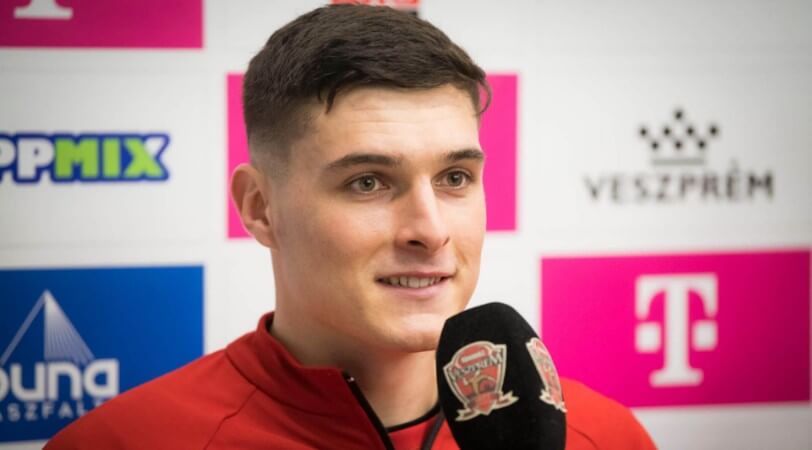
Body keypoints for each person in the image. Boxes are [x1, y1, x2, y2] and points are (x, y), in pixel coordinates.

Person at [46, 5, 656, 449]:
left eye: (455, 178)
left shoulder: (601, 434)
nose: (431, 231)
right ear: (259, 207)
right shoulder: (125, 442)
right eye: (368, 182)